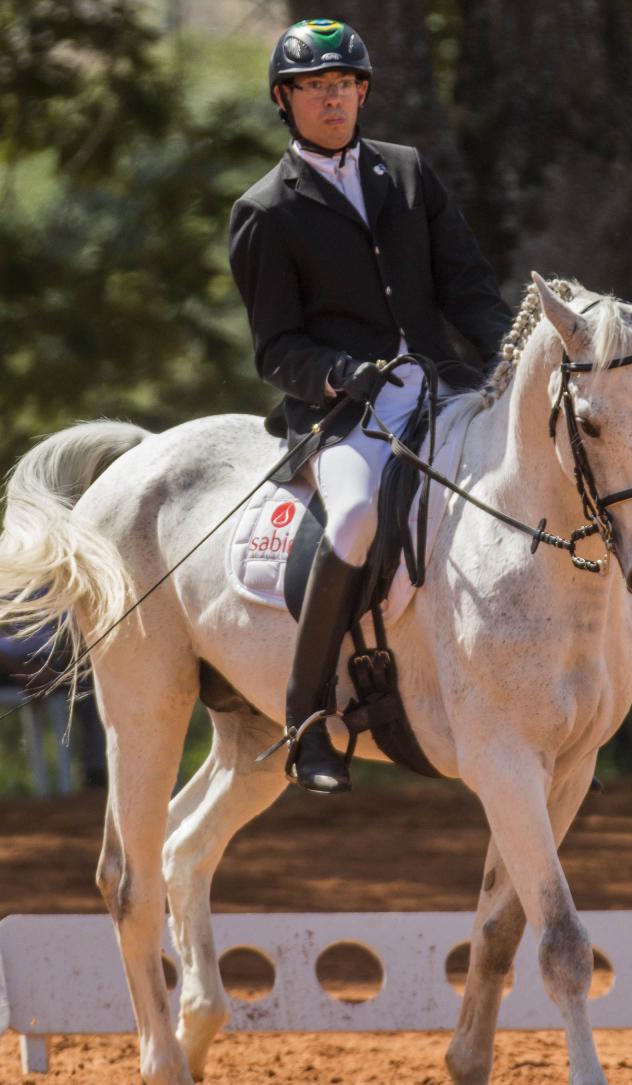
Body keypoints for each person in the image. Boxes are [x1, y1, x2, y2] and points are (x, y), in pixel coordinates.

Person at [229, 18, 511, 795]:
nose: (336, 100)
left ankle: (534, 698)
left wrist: (506, 356)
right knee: (354, 519)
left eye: (347, 85)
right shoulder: (265, 211)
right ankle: (309, 714)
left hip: (442, 386)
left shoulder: (409, 174)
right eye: (317, 88)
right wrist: (341, 373)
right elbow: (276, 349)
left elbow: (467, 287)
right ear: (285, 102)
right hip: (344, 415)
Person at [0, 607, 107, 796]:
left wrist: (56, 673)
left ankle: (97, 776)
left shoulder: (57, 577)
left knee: (88, 672)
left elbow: (80, 625)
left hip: (48, 661)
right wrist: (19, 671)